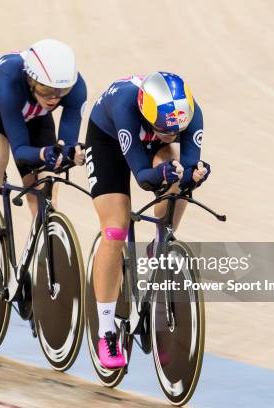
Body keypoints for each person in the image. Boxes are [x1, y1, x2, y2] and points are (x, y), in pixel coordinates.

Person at [84, 72, 211, 369]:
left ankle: (159, 242)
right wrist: (160, 175)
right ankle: (106, 331)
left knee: (179, 175)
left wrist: (195, 175)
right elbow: (143, 177)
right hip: (108, 141)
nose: (171, 135)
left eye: (175, 131)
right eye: (164, 130)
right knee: (115, 230)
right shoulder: (126, 108)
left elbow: (190, 165)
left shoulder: (189, 114)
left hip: (147, 139)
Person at [0, 38, 87, 266]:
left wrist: (70, 154)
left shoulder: (76, 88)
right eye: (47, 90)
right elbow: (20, 152)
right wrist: (43, 154)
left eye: (62, 92)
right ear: (31, 79)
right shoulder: (9, 79)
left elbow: (66, 145)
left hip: (33, 117)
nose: (54, 98)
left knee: (45, 192)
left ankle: (36, 265)